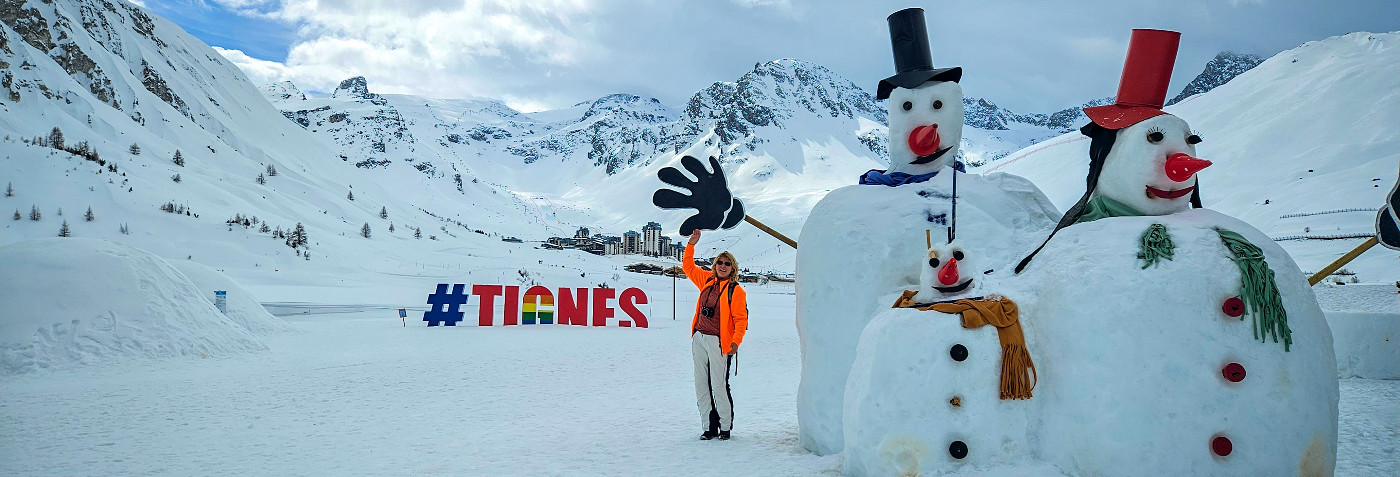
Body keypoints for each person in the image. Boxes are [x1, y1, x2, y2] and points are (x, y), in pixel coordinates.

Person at [683, 229, 748, 441]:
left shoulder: (735, 291)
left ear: (733, 268)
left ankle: (725, 427)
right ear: (715, 265)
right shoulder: (707, 281)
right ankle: (708, 427)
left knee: (719, 385)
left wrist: (736, 342)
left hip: (720, 343)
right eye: (720, 262)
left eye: (727, 263)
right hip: (700, 338)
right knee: (701, 384)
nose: (722, 266)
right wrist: (691, 245)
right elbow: (688, 267)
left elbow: (741, 319)